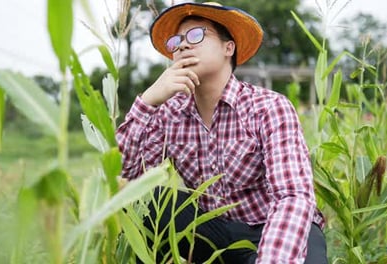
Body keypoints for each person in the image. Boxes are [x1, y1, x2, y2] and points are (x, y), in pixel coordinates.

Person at [116, 2, 327, 263]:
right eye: (176, 41)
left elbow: (292, 197)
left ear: (229, 47)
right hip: (216, 234)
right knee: (148, 201)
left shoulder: (268, 107)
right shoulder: (168, 114)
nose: (182, 46)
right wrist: (147, 102)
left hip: (273, 227)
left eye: (196, 35)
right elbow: (123, 179)